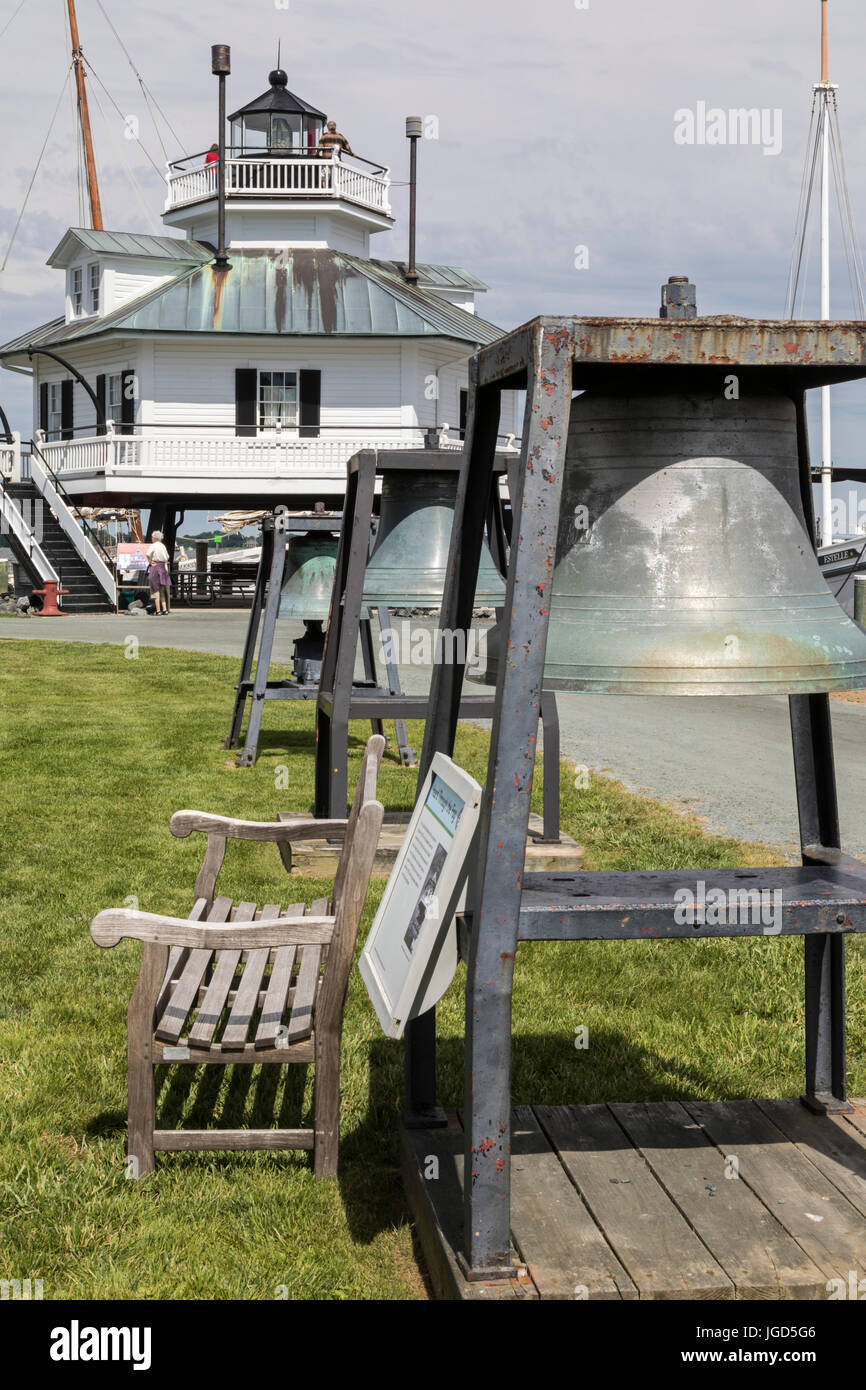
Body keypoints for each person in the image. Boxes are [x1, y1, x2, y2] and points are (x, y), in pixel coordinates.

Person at [146, 531, 171, 616]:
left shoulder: (153, 545)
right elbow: (167, 557)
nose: (151, 539)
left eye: (152, 537)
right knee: (162, 591)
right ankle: (165, 610)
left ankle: (158, 610)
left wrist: (150, 561)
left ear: (154, 538)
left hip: (155, 567)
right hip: (163, 567)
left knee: (155, 591)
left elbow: (148, 554)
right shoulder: (163, 546)